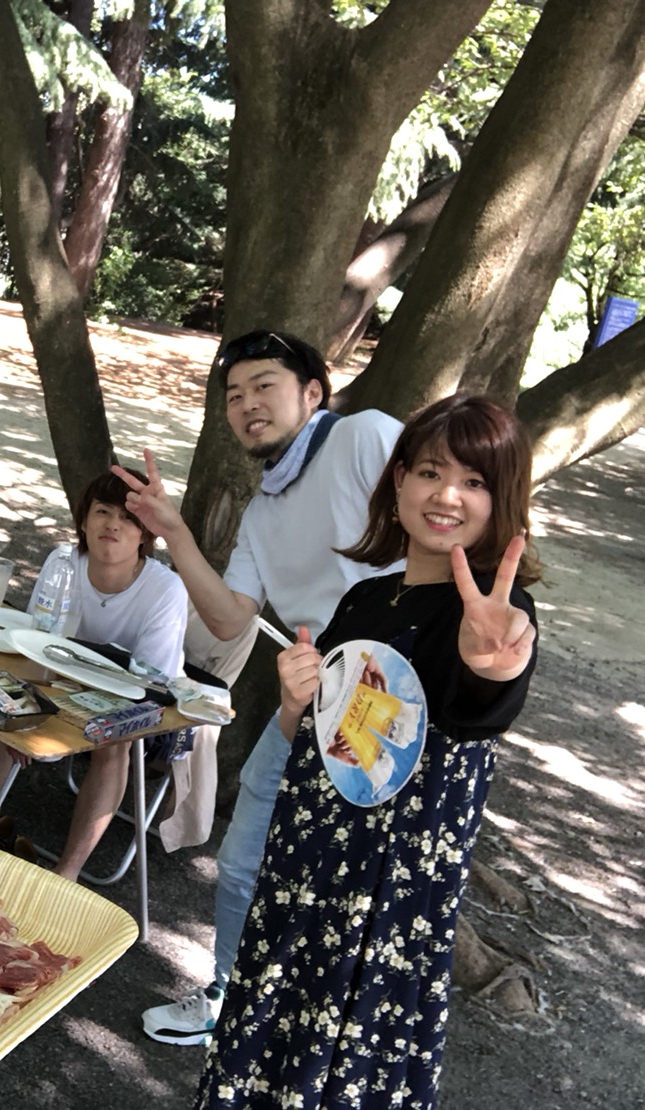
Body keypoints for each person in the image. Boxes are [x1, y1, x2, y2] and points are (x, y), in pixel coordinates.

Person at [195, 395, 541, 1108]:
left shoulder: (492, 616)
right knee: (264, 1042)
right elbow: (321, 741)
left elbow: (478, 713)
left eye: (474, 481)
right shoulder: (365, 600)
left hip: (382, 906)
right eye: (430, 472)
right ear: (399, 480)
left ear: (502, 498)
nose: (447, 495)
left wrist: (493, 668)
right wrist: (294, 703)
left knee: (339, 1068)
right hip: (303, 872)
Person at [116, 330, 404, 1045]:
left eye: (265, 385)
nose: (247, 405)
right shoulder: (263, 509)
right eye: (234, 395)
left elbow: (440, 518)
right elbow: (227, 617)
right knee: (243, 858)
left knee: (357, 880)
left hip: (393, 699)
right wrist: (173, 531)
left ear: (313, 392)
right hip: (311, 696)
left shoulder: (365, 437)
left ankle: (323, 1030)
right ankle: (229, 998)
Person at [0, 468, 188, 880]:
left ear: (145, 534)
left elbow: (149, 684)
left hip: (130, 695)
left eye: (128, 518)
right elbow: (34, 640)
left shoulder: (165, 589)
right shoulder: (63, 562)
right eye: (103, 511)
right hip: (56, 679)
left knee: (114, 744)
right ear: (83, 521)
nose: (113, 524)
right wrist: (28, 707)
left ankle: (67, 872)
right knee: (2, 702)